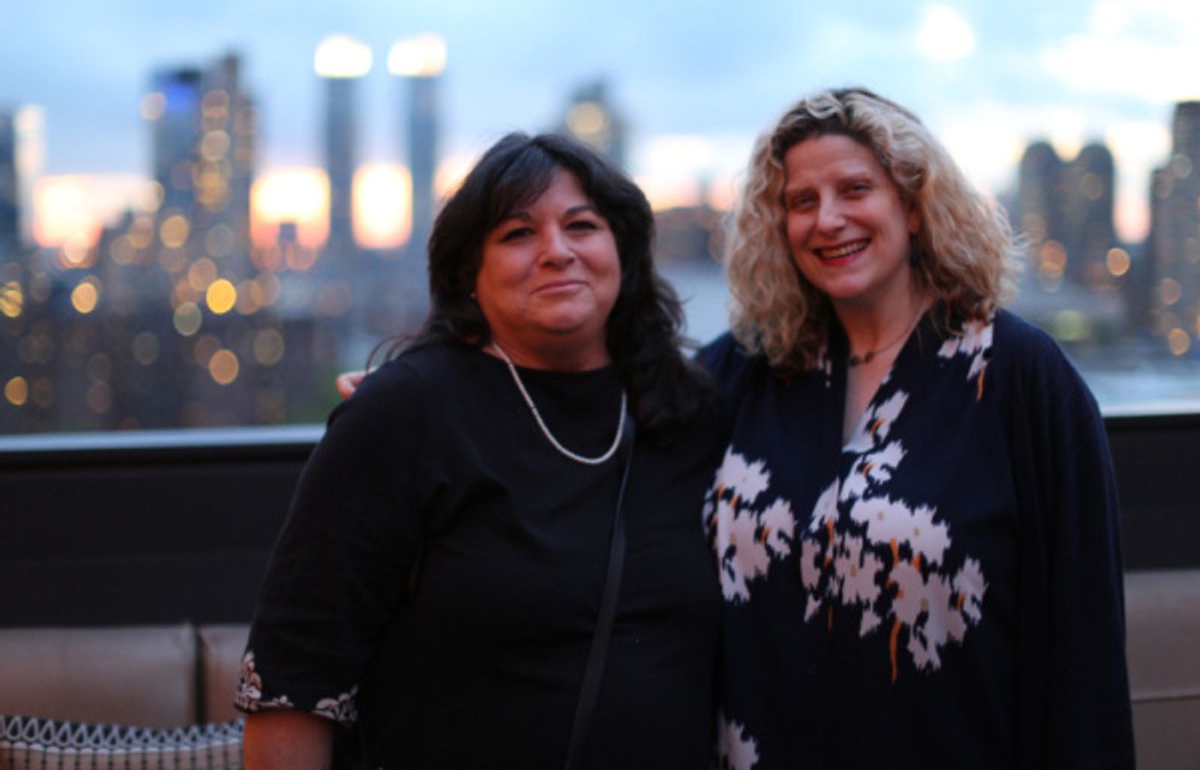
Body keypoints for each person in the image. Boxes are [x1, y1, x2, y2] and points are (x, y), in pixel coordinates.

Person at [237, 132, 725, 769]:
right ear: (469, 273)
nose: (556, 251)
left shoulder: (689, 412)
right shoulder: (404, 414)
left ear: (623, 253)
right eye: (518, 233)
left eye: (582, 226)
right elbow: (293, 675)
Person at [702, 87, 1134, 768]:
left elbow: (1085, 646)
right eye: (801, 201)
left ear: (911, 203)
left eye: (855, 189)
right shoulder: (742, 372)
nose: (828, 219)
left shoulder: (1020, 378)